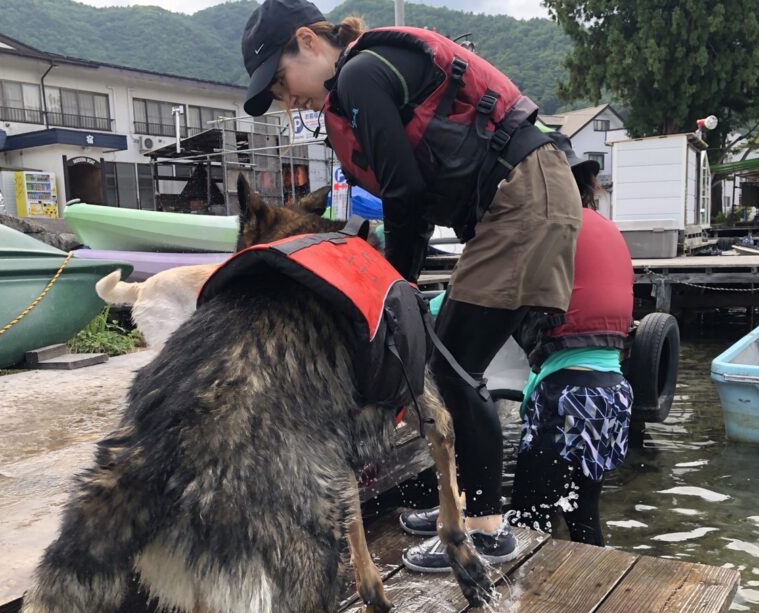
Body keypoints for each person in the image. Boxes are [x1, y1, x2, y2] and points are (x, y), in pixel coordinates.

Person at [241, 0, 581, 571]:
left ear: (308, 40)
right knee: (445, 358)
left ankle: (485, 531)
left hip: (526, 196)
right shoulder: (352, 92)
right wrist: (395, 286)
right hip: (520, 200)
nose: (285, 96)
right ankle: (468, 505)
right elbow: (407, 200)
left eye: (280, 78)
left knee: (451, 363)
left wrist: (390, 290)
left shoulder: (359, 74)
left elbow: (404, 193)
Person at [508, 157, 635, 545]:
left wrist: (427, 307)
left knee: (527, 521)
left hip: (568, 398)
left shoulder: (551, 228)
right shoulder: (605, 228)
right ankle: (592, 598)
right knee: (582, 515)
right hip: (611, 395)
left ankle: (530, 604)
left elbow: (489, 295)